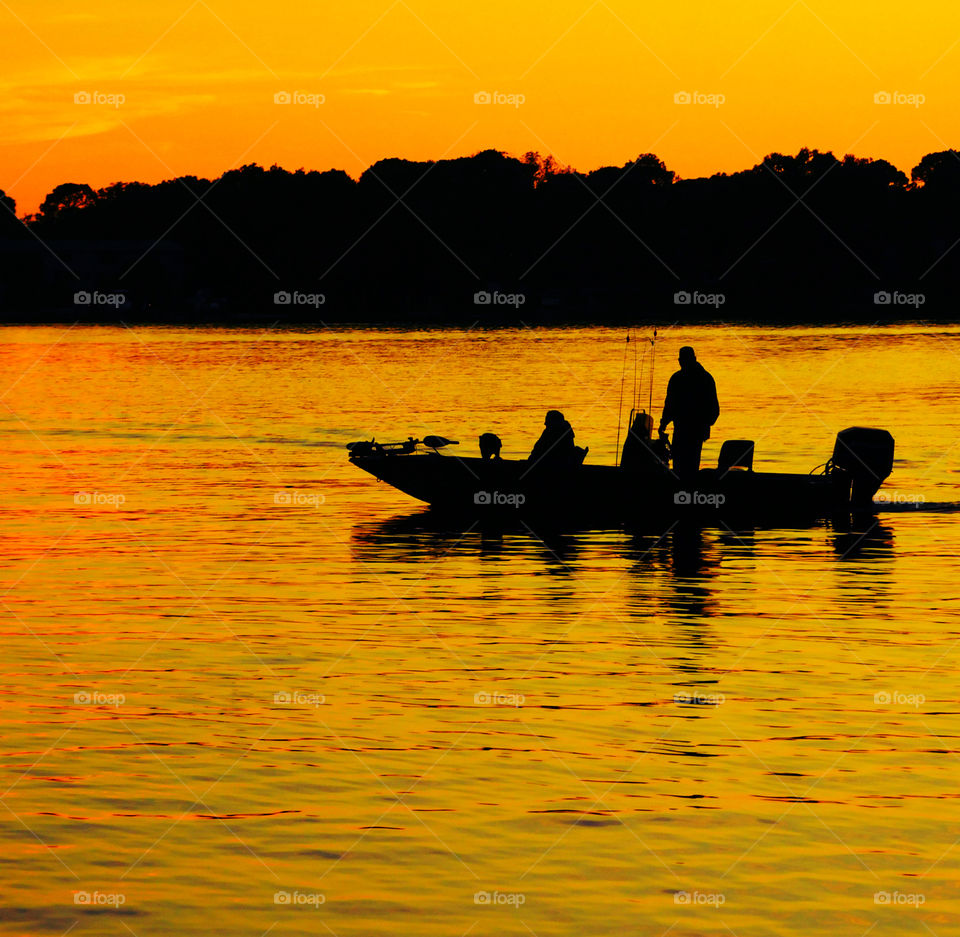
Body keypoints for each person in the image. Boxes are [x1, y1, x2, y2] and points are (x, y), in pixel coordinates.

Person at [658, 346, 720, 479]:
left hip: (691, 432)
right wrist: (664, 422)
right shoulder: (705, 378)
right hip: (686, 431)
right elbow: (670, 405)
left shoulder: (681, 379)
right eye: (681, 360)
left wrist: (703, 424)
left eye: (684, 360)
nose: (682, 363)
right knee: (686, 469)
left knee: (684, 469)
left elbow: (714, 410)